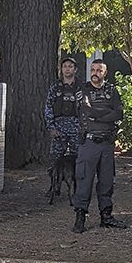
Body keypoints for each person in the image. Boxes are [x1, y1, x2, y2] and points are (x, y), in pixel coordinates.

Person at [72, 59, 128, 233]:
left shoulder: (112, 91)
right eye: (93, 70)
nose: (95, 73)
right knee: (84, 181)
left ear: (105, 73)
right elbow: (86, 111)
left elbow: (118, 114)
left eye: (99, 70)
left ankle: (106, 216)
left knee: (106, 181)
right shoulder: (83, 89)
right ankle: (80, 217)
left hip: (107, 143)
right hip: (89, 143)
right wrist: (106, 113)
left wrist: (98, 115)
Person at [43, 57, 84, 194]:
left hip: (76, 127)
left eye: (70, 66)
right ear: (61, 69)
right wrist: (51, 127)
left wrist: (83, 127)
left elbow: (86, 108)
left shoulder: (81, 87)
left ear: (75, 69)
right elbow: (48, 106)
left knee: (78, 159)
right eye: (65, 66)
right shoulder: (55, 86)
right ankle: (54, 186)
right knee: (55, 159)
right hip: (58, 127)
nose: (68, 69)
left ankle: (77, 188)